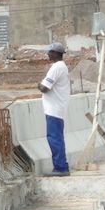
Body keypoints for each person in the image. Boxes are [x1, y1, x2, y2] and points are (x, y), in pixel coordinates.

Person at [38, 42, 70, 176]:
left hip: (54, 109)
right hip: (58, 108)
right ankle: (62, 166)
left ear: (56, 53)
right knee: (57, 138)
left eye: (50, 52)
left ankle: (60, 168)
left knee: (54, 138)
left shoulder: (56, 67)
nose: (48, 54)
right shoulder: (62, 67)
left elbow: (45, 88)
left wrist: (38, 85)